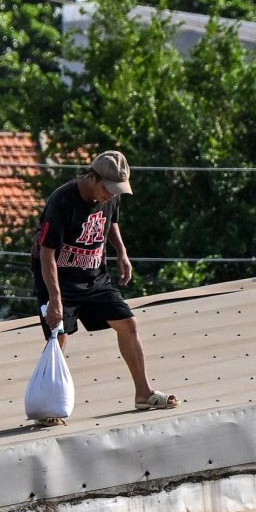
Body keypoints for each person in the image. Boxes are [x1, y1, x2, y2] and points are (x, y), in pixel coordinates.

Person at [31, 150, 178, 423]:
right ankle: (48, 408)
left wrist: (121, 252)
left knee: (128, 323)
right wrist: (55, 299)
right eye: (107, 189)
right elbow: (46, 253)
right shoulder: (62, 201)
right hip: (60, 279)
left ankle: (143, 393)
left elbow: (110, 222)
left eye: (116, 191)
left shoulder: (111, 196)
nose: (111, 195)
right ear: (92, 177)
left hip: (94, 274)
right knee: (59, 336)